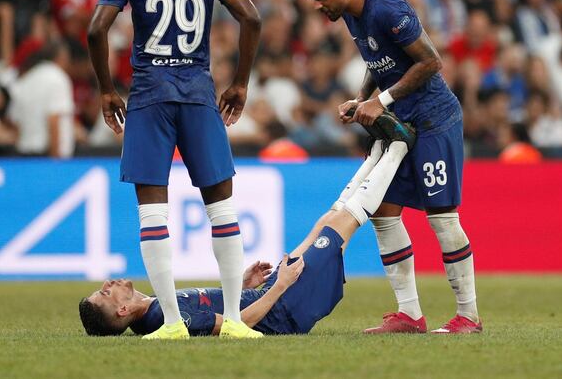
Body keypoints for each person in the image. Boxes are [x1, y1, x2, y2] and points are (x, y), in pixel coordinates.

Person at [86, 0, 262, 339]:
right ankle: (237, 322)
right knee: (221, 209)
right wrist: (240, 82)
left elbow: (96, 29)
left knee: (153, 215)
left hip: (148, 97)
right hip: (199, 96)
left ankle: (170, 322)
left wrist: (107, 91)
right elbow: (252, 19)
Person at [78, 113, 417, 337]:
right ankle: (399, 147)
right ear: (122, 310)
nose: (109, 283)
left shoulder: (159, 307)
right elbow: (236, 327)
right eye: (106, 293)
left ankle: (378, 150)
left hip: (270, 295)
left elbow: (213, 305)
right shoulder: (158, 320)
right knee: (340, 225)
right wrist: (281, 286)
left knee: (327, 221)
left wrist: (241, 286)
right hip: (283, 309)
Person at [301, 0, 482, 334]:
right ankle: (410, 315)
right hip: (400, 123)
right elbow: (378, 59)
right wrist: (361, 97)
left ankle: (469, 316)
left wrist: (379, 102)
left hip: (434, 120)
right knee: (383, 211)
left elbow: (431, 62)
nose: (318, 6)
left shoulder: (387, 8)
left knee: (443, 219)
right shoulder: (351, 13)